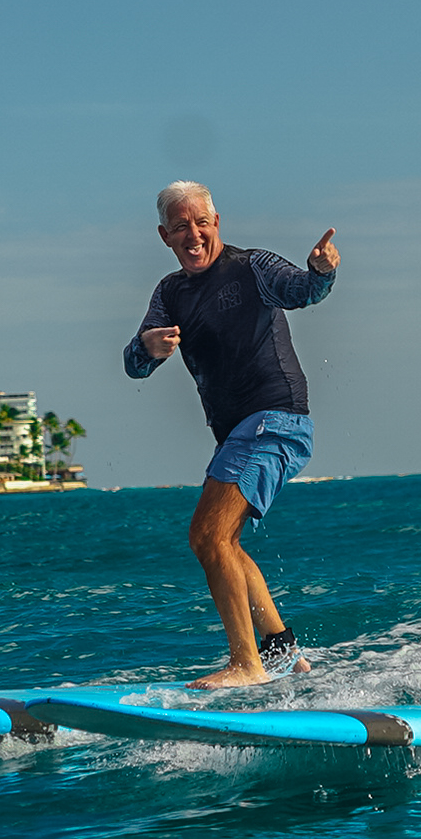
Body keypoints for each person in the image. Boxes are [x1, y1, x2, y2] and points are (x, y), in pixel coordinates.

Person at [123, 181, 341, 688]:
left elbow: (305, 291)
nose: (192, 234)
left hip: (275, 421)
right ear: (165, 236)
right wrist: (146, 347)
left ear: (216, 222)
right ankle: (284, 653)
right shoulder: (170, 293)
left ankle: (246, 664)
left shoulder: (252, 268)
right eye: (180, 227)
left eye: (200, 222)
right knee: (224, 544)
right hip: (239, 435)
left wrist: (322, 270)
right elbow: (135, 365)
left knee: (208, 535)